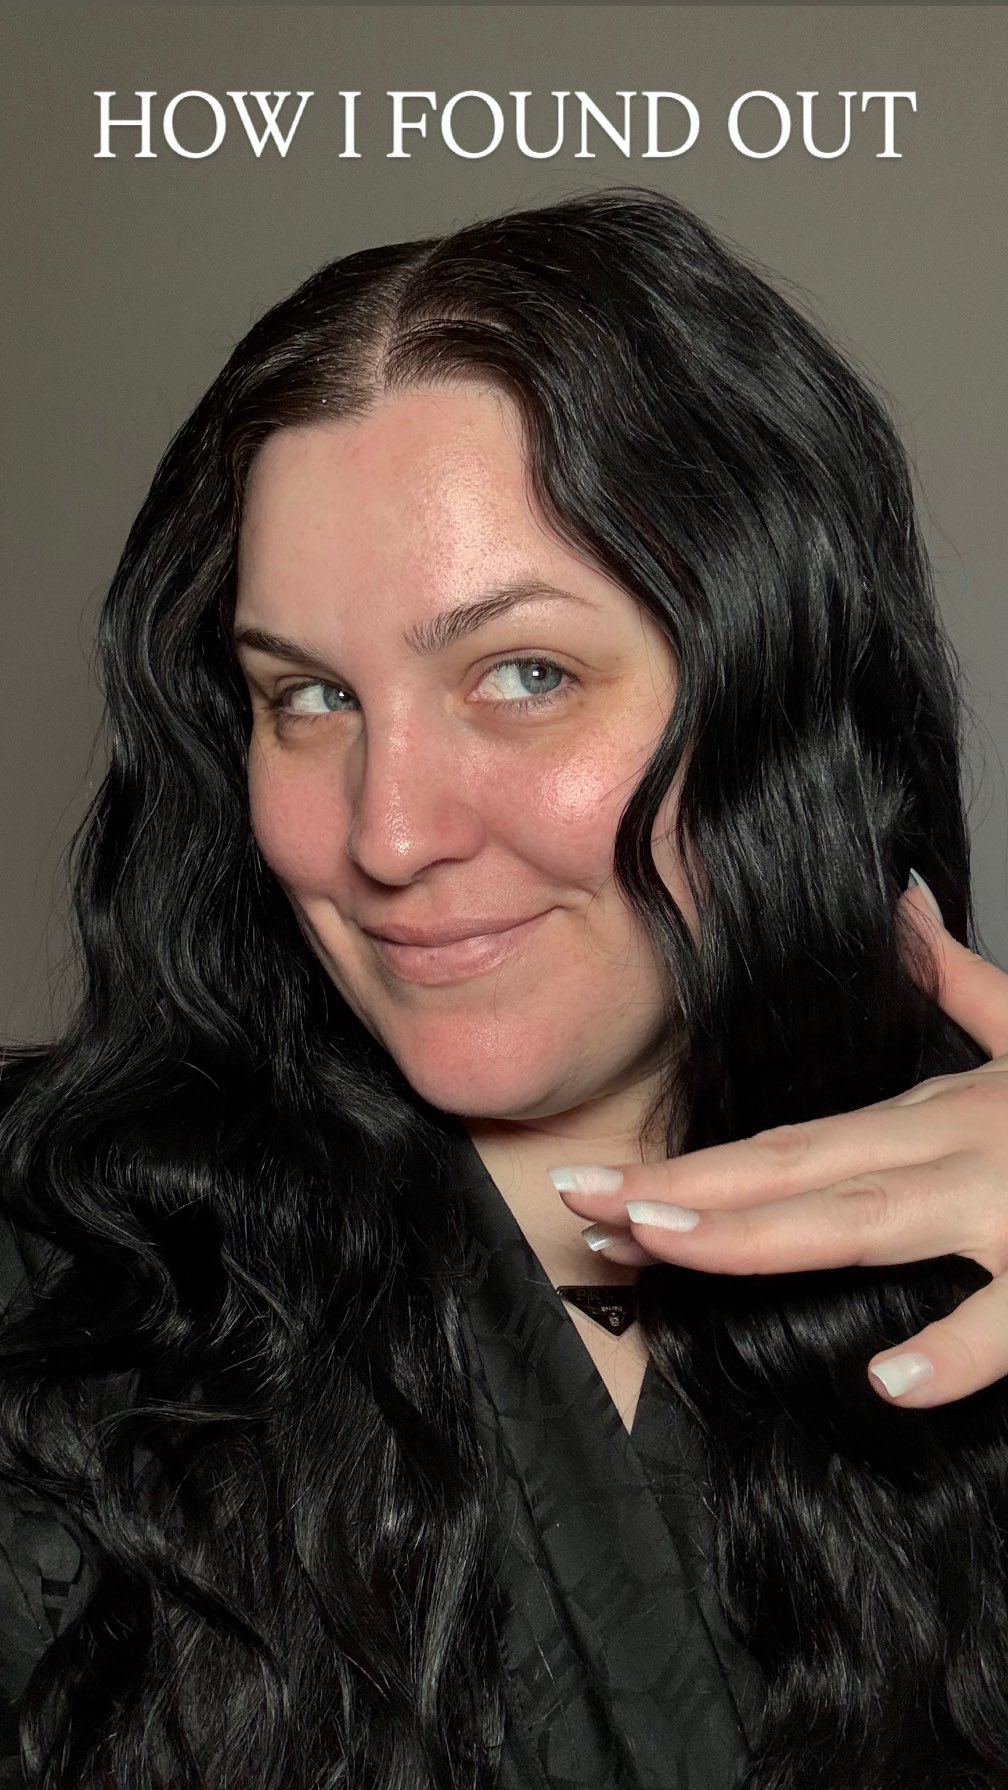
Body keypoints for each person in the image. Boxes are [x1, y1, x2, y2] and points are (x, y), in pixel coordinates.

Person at [0, 186, 1007, 1790]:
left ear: (781, 696)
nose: (387, 834)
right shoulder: (50, 1293)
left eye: (523, 675)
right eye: (308, 695)